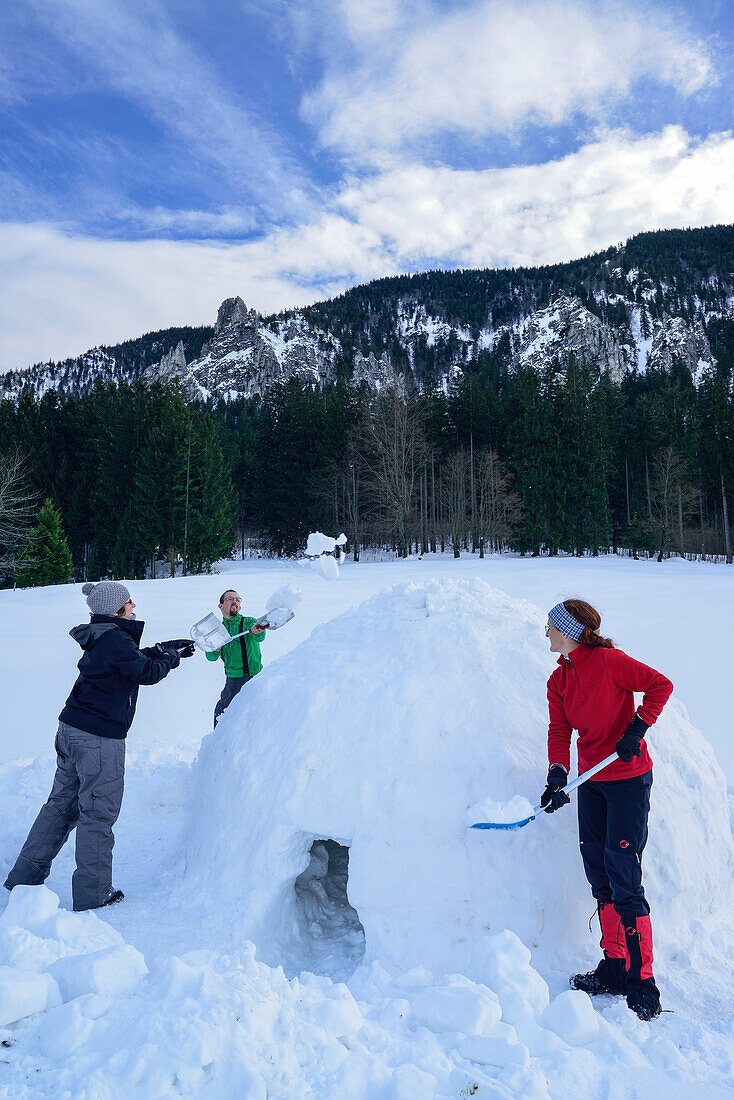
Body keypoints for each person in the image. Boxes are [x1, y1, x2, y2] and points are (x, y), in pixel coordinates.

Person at [4, 581, 194, 911]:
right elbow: (145, 672)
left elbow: (129, 660)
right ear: (116, 609)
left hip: (72, 729)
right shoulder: (115, 639)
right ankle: (94, 895)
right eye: (128, 602)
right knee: (97, 814)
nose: (133, 604)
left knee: (61, 806)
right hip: (98, 739)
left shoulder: (103, 634)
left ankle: (24, 878)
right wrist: (168, 658)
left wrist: (165, 647)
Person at [540, 598, 673, 1022]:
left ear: (571, 631)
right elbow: (560, 729)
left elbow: (660, 685)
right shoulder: (558, 679)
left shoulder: (610, 662)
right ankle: (615, 968)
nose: (545, 634)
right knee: (599, 871)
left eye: (551, 627)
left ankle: (642, 979)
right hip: (592, 782)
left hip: (628, 780)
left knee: (623, 874)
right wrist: (557, 777)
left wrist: (637, 727)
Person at [207, 589, 266, 726]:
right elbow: (211, 657)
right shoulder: (217, 631)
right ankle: (219, 745)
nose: (235, 601)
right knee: (221, 714)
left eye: (238, 599)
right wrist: (215, 648)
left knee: (254, 715)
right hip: (232, 681)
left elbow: (259, 635)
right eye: (230, 599)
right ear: (220, 605)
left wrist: (258, 630)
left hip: (253, 677)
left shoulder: (248, 622)